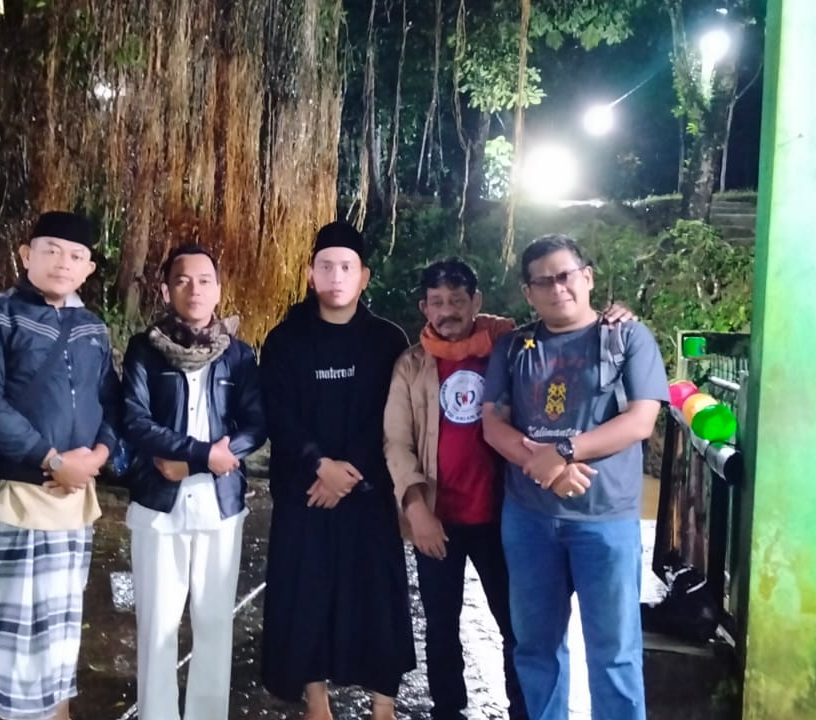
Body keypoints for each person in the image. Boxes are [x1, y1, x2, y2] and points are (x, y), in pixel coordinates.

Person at [384, 259, 636, 720]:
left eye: (457, 300)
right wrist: (416, 508)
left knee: (518, 627)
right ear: (424, 308)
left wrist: (610, 316)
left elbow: (561, 323)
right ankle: (447, 710)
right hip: (437, 517)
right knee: (440, 626)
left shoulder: (510, 347)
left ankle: (523, 709)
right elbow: (397, 443)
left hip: (505, 517)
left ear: (476, 302)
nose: (447, 311)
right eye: (437, 302)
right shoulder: (412, 364)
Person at [480, 235, 668, 720]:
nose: (556, 287)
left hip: (605, 519)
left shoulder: (628, 338)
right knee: (535, 646)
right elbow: (493, 425)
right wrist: (543, 468)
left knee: (615, 650)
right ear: (528, 292)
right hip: (529, 519)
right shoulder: (513, 347)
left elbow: (640, 421)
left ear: (587, 277)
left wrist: (563, 452)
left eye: (565, 275)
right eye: (542, 281)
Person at [0, 211, 121, 720]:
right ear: (26, 255)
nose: (63, 262)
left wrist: (99, 455)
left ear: (88, 269)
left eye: (76, 255)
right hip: (11, 501)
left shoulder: (92, 328)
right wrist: (51, 459)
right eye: (51, 250)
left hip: (72, 507)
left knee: (59, 634)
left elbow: (112, 403)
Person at [259, 222, 415, 720]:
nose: (336, 276)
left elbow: (394, 416)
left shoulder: (388, 340)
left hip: (368, 496)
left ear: (364, 276)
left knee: (378, 598)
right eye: (325, 266)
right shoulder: (285, 340)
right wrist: (318, 465)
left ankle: (383, 706)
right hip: (306, 491)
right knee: (307, 596)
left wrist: (350, 473)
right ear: (310, 275)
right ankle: (316, 702)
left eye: (346, 267)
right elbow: (279, 414)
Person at [120, 244, 267, 720]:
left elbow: (255, 426)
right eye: (182, 280)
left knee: (214, 626)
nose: (195, 290)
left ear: (219, 290)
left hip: (220, 507)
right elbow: (135, 421)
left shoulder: (238, 355)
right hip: (158, 508)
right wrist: (204, 454)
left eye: (205, 281)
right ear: (166, 290)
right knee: (157, 628)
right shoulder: (145, 350)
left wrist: (195, 464)